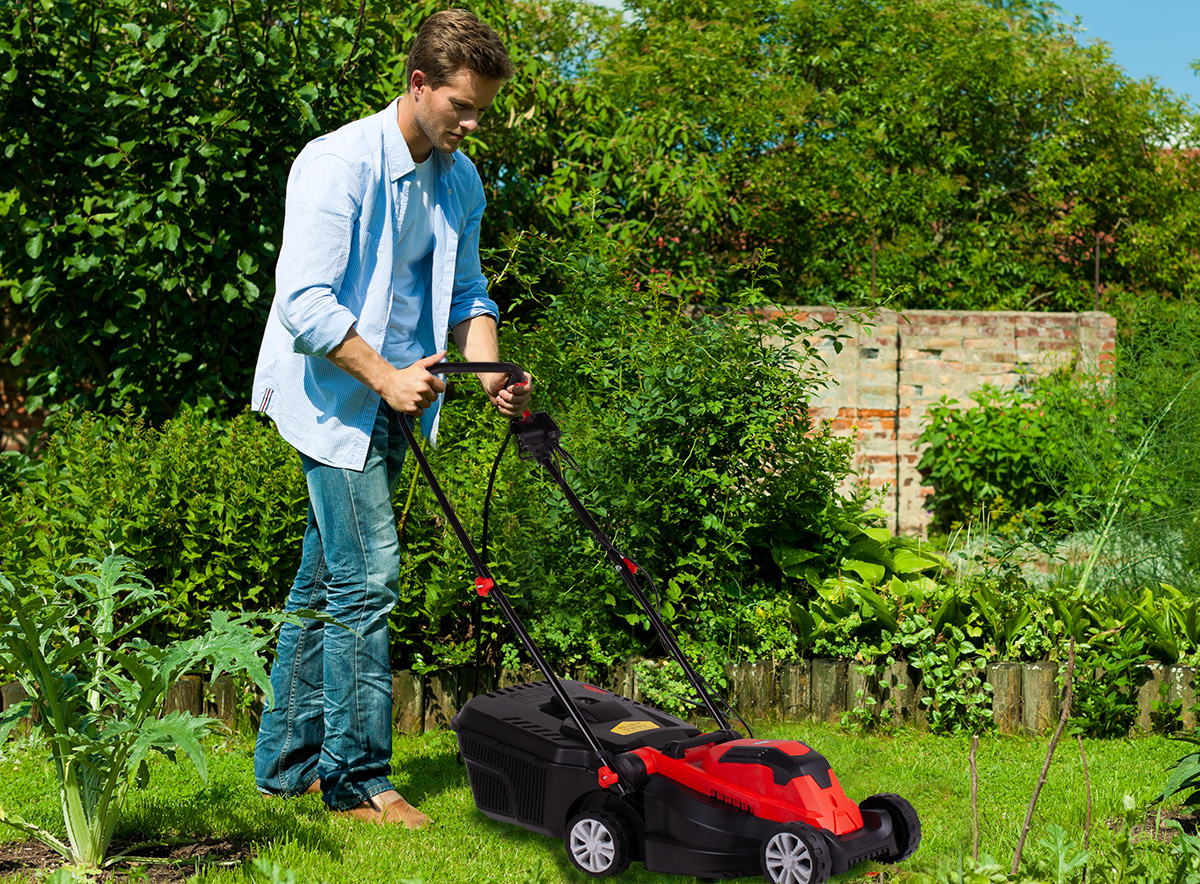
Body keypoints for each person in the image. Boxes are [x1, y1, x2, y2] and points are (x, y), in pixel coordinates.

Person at [250, 9, 531, 828]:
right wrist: (383, 376)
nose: (473, 125)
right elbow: (303, 302)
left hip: (403, 398)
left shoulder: (461, 181)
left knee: (323, 584)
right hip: (334, 396)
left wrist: (487, 370)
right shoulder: (336, 164)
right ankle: (357, 781)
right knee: (369, 578)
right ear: (420, 86)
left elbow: (468, 294)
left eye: (480, 110)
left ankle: (286, 764)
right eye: (463, 108)